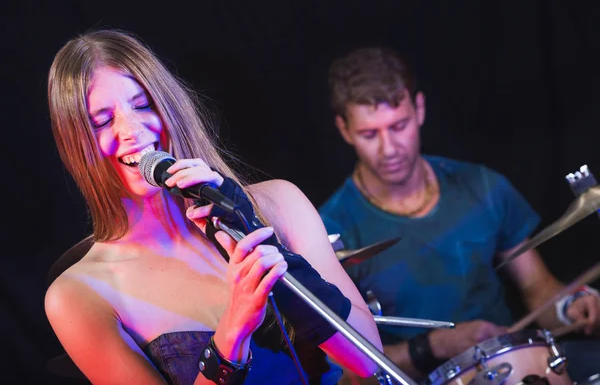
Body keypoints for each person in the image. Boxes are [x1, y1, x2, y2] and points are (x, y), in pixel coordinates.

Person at [43, 29, 384, 385]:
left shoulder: (280, 203)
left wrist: (262, 246)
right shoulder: (78, 294)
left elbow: (371, 361)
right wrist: (233, 332)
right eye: (102, 120)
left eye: (143, 104)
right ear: (76, 145)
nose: (133, 129)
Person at [318, 47, 600, 383]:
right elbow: (347, 373)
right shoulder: (328, 232)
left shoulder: (481, 186)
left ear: (419, 109)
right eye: (369, 134)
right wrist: (433, 346)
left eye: (399, 125)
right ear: (344, 129)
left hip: (515, 368)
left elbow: (537, 287)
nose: (389, 148)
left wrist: (568, 308)